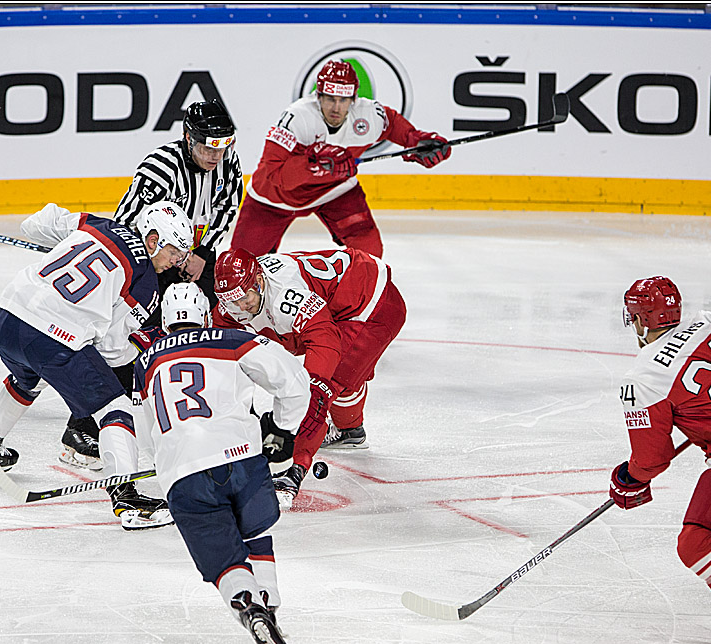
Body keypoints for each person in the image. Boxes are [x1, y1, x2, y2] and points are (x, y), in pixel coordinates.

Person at [0, 200, 195, 531]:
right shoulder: (144, 282)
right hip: (50, 334)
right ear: (153, 239)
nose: (177, 261)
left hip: (6, 316)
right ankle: (128, 499)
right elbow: (112, 350)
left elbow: (36, 223)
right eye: (175, 251)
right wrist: (139, 353)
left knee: (27, 379)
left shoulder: (98, 224)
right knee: (116, 409)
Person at [58, 99, 244, 471]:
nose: (215, 154)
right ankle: (80, 429)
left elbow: (227, 207)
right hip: (148, 263)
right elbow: (126, 226)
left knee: (202, 325)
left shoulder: (227, 160)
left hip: (191, 255)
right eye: (207, 145)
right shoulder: (161, 169)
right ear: (188, 138)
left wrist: (201, 253)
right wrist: (158, 266)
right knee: (127, 341)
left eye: (222, 146)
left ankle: (190, 407)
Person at [133, 282, 309, 644]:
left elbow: (146, 431)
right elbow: (295, 381)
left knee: (226, 562)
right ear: (206, 313)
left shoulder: (144, 363)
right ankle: (270, 606)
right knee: (256, 531)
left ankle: (250, 608)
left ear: (164, 320)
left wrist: (168, 458)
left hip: (183, 473)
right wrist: (282, 428)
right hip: (241, 457)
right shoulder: (233, 339)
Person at [212, 246, 406, 510]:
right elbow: (222, 364)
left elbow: (316, 381)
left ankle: (292, 476)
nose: (239, 308)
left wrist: (296, 460)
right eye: (231, 301)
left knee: (326, 384)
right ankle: (350, 430)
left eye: (244, 299)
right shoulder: (234, 303)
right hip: (335, 302)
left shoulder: (285, 295)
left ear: (258, 281)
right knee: (348, 373)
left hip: (370, 303)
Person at [229, 59, 450, 260]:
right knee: (241, 264)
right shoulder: (297, 118)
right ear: (318, 96)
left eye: (343, 100)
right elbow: (273, 172)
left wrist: (416, 140)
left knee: (369, 252)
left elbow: (391, 124)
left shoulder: (368, 115)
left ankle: (352, 299)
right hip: (273, 199)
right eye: (330, 99)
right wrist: (311, 163)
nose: (336, 107)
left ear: (353, 98)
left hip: (334, 191)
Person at [609, 276, 711, 601]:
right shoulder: (709, 322)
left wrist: (629, 478)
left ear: (642, 321)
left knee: (696, 542)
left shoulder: (643, 377)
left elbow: (652, 459)